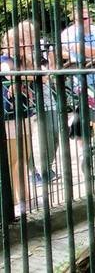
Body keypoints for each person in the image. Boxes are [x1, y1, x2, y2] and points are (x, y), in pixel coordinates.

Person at [60, 5, 95, 177]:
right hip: (82, 83)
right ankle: (91, 152)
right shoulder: (68, 34)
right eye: (80, 19)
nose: (85, 21)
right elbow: (79, 51)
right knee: (94, 116)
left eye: (87, 17)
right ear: (74, 20)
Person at [0, 21, 41, 216]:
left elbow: (35, 73)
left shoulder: (22, 61)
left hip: (23, 113)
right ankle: (20, 200)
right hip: (9, 116)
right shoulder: (5, 59)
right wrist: (28, 77)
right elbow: (8, 74)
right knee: (15, 159)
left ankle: (24, 198)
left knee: (24, 156)